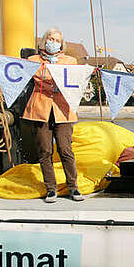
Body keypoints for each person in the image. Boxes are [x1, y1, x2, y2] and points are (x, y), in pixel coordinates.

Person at [25, 27, 83, 204]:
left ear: (62, 44)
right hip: (40, 109)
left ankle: (73, 186)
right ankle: (51, 188)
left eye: (57, 40)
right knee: (45, 150)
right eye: (51, 39)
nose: (53, 42)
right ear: (44, 41)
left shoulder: (71, 61)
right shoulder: (32, 60)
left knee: (66, 149)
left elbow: (77, 80)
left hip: (63, 110)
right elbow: (15, 71)